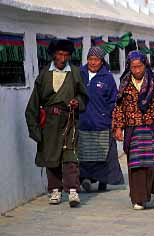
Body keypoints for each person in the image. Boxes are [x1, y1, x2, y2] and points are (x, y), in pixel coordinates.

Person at [25, 39, 88, 207]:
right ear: (54, 55)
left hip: (69, 120)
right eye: (60, 54)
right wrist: (35, 129)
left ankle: (73, 191)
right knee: (51, 156)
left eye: (66, 54)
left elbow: (83, 95)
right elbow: (33, 103)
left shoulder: (75, 72)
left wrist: (77, 101)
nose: (63, 58)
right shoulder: (44, 74)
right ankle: (55, 190)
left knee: (70, 155)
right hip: (50, 122)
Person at [113, 51, 154, 210]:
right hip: (134, 128)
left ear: (145, 65)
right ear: (129, 67)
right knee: (137, 164)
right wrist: (118, 126)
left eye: (140, 66)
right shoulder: (125, 83)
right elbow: (119, 107)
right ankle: (139, 198)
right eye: (133, 67)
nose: (137, 70)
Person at [78, 47, 124, 192]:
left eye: (96, 60)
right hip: (83, 121)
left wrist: (114, 121)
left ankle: (102, 181)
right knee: (84, 154)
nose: (93, 62)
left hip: (102, 123)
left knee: (104, 154)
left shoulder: (107, 77)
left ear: (101, 61)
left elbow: (113, 101)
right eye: (90, 59)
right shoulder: (80, 74)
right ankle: (84, 178)